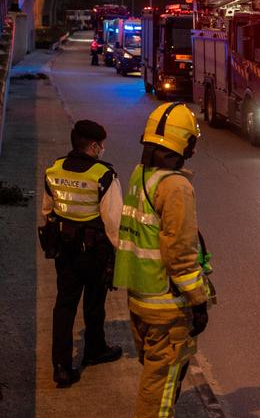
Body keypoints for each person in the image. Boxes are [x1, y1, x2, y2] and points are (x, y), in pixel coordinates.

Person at [113, 102, 210, 418]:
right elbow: (180, 254)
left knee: (153, 378)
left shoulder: (142, 174)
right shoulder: (176, 186)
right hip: (167, 308)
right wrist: (198, 301)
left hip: (140, 298)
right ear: (185, 143)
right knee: (160, 392)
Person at [41, 120, 123, 387]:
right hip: (95, 251)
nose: (103, 148)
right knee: (94, 302)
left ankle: (62, 367)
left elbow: (47, 211)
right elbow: (113, 221)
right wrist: (117, 253)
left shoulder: (53, 169)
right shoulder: (103, 175)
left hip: (65, 250)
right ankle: (94, 349)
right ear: (94, 145)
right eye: (101, 144)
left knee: (64, 304)